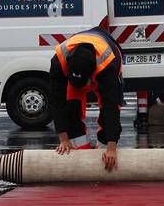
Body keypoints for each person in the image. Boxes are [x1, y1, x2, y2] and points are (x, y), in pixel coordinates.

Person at [49, 27, 125, 170]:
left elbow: (111, 107)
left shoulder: (108, 65)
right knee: (71, 109)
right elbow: (56, 101)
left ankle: (103, 151)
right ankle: (80, 152)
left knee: (107, 111)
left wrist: (111, 148)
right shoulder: (59, 61)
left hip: (107, 57)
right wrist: (64, 139)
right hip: (81, 60)